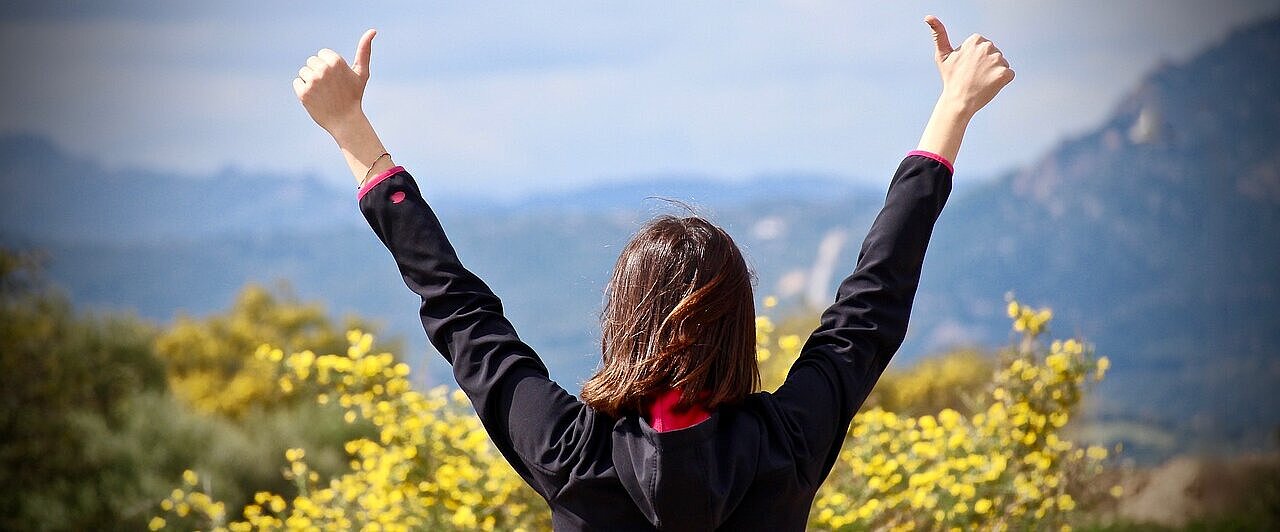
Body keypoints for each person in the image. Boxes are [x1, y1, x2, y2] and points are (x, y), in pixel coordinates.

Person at [293, 14, 1012, 531]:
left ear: (622, 319)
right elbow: (873, 301)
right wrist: (953, 110)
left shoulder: (568, 451)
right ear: (739, 324)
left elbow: (456, 307)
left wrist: (351, 130)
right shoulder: (786, 444)